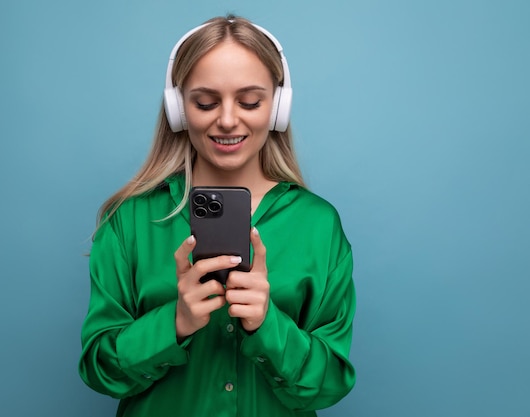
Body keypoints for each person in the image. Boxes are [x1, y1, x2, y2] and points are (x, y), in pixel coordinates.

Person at [79, 15, 356, 417]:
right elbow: (98, 369)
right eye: (206, 102)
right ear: (178, 109)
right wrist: (173, 322)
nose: (227, 120)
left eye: (250, 101)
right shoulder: (130, 221)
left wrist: (268, 325)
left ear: (278, 107)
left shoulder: (318, 225)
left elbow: (329, 383)